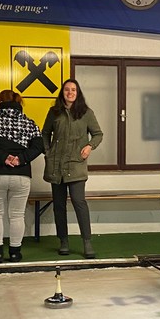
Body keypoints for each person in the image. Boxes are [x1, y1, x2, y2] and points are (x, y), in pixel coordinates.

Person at [0, 90, 44, 263]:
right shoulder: (30, 123)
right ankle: (15, 252)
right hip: (21, 175)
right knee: (17, 215)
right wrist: (21, 159)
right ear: (19, 103)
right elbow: (39, 146)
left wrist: (4, 157)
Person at [42, 79, 103, 259]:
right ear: (62, 93)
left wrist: (90, 146)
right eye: (67, 90)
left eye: (73, 90)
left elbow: (98, 134)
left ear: (78, 93)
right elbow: (45, 133)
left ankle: (87, 242)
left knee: (79, 202)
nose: (70, 92)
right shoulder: (54, 112)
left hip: (76, 165)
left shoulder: (86, 113)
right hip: (56, 166)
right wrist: (48, 152)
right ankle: (63, 241)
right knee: (59, 205)